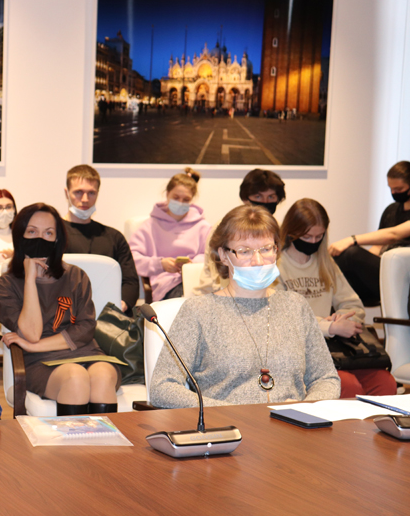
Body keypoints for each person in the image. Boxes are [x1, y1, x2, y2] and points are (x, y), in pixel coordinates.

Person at [149, 205, 340, 408]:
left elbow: (326, 378)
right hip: (227, 423)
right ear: (223, 255)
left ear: (276, 250)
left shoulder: (295, 306)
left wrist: (305, 408)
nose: (258, 261)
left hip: (291, 423)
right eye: (244, 251)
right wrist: (230, 412)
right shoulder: (199, 311)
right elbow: (162, 387)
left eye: (266, 249)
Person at [0, 203, 121, 416]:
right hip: (40, 364)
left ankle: (104, 439)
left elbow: (86, 328)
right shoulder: (5, 286)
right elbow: (31, 333)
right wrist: (30, 280)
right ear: (19, 236)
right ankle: (70, 440)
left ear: (57, 239)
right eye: (32, 232)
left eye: (48, 233)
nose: (40, 239)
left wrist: (33, 346)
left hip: (86, 352)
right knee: (75, 377)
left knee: (103, 375)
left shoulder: (76, 276)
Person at [278, 199, 395, 397]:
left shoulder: (326, 262)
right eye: (307, 236)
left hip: (335, 349)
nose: (313, 242)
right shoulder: (277, 266)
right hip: (301, 351)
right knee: (348, 385)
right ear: (291, 232)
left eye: (319, 236)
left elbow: (353, 305)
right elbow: (284, 319)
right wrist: (329, 326)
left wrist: (342, 318)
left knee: (385, 382)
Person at [329, 161, 410, 307]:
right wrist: (362, 264)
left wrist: (352, 240)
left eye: (399, 189)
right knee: (338, 287)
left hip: (403, 276)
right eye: (391, 189)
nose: (394, 193)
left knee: (351, 253)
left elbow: (394, 234)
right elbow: (378, 247)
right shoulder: (391, 210)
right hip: (382, 272)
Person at [194, 168, 287, 295]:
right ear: (245, 199)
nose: (265, 202)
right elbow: (221, 277)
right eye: (258, 196)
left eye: (271, 197)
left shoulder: (279, 229)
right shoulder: (226, 228)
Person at [61, 165, 138, 313]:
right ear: (67, 193)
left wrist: (118, 307)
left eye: (91, 193)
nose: (85, 199)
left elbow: (130, 282)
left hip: (107, 315)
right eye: (78, 192)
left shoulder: (114, 237)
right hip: (63, 313)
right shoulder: (52, 234)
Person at [129, 168, 211, 301]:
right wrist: (160, 264)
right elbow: (131, 259)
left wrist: (192, 264)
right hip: (167, 284)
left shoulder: (203, 227)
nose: (180, 203)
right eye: (176, 198)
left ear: (192, 200)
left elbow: (211, 256)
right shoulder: (150, 226)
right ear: (167, 194)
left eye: (186, 199)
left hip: (197, 280)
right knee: (189, 300)